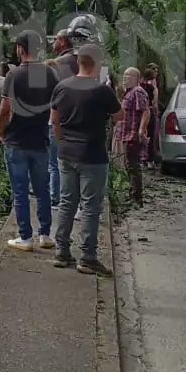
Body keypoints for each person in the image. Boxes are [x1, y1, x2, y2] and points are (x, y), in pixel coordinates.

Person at [51, 44, 123, 275]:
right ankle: (88, 256)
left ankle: (62, 251)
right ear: (98, 63)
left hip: (66, 152)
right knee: (90, 207)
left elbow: (55, 120)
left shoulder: (62, 87)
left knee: (66, 202)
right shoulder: (101, 91)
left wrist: (63, 141)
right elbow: (119, 116)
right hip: (92, 154)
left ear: (78, 62)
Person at [0, 31, 59, 251]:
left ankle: (25, 237)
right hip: (41, 139)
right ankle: (45, 234)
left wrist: (1, 132)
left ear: (20, 48)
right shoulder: (50, 74)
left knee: (20, 191)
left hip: (17, 141)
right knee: (42, 189)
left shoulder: (14, 75)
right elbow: (57, 107)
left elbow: (5, 109)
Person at [45, 29, 79, 207]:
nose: (53, 42)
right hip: (77, 117)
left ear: (64, 42)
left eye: (56, 39)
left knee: (55, 162)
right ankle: (73, 197)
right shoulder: (79, 61)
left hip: (58, 117)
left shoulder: (57, 63)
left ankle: (56, 198)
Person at [119, 68, 150, 207]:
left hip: (133, 134)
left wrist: (141, 130)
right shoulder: (128, 92)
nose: (125, 77)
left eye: (129, 75)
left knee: (133, 166)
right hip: (126, 134)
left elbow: (145, 111)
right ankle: (132, 193)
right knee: (128, 165)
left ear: (137, 78)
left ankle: (137, 198)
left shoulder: (138, 91)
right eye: (124, 75)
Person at [139, 67, 159, 169]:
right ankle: (150, 160)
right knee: (150, 136)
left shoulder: (139, 86)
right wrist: (156, 112)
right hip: (149, 111)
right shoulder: (153, 88)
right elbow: (155, 103)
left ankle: (140, 159)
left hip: (139, 112)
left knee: (140, 134)